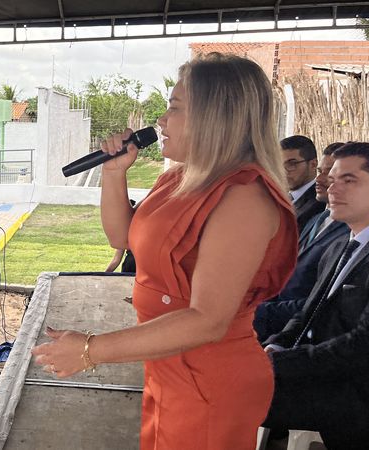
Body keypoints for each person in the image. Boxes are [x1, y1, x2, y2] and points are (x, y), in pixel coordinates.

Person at [31, 53, 298, 450]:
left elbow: (208, 320)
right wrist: (113, 172)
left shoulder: (245, 198)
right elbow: (122, 237)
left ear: (216, 116)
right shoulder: (180, 179)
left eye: (173, 109)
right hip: (166, 361)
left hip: (208, 373)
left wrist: (91, 350)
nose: (161, 121)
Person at [262, 142, 369, 449]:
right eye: (332, 178)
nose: (332, 188)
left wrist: (280, 363)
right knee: (217, 382)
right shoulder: (340, 247)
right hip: (323, 376)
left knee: (228, 393)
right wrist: (275, 346)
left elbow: (364, 345)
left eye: (349, 180)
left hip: (358, 397)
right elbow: (307, 314)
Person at [254, 142, 350, 341]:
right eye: (322, 172)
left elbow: (321, 301)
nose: (322, 180)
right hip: (280, 319)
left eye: (341, 178)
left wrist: (259, 313)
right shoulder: (319, 219)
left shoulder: (349, 233)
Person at [282, 135, 325, 233]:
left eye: (292, 164)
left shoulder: (319, 203)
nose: (284, 171)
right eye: (279, 164)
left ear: (313, 164)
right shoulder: (277, 197)